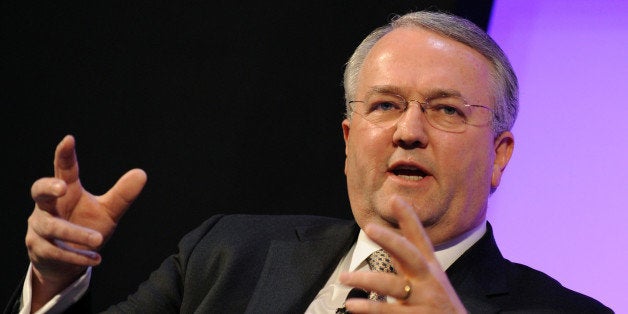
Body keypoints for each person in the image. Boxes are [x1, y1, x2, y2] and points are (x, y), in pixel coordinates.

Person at [6, 10, 612, 314]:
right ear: (349, 139)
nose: (408, 131)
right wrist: (54, 285)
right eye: (385, 105)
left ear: (500, 156)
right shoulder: (224, 256)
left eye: (447, 110)